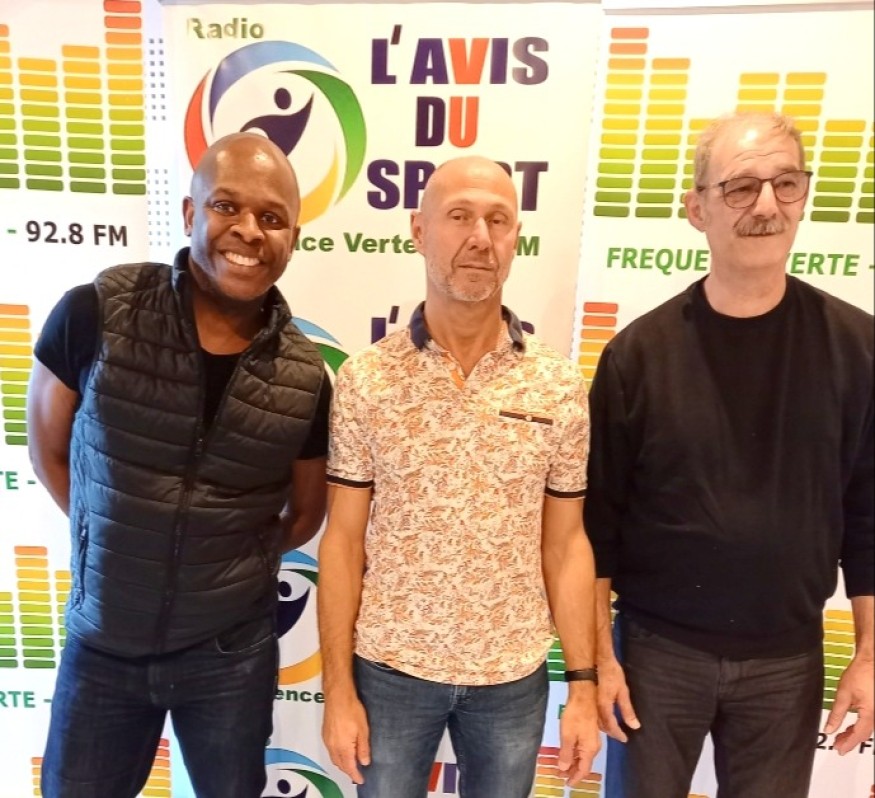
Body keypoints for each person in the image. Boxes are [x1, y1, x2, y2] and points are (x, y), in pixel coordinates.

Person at [27, 132, 331, 798]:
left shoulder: (306, 375)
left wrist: (232, 562)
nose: (248, 231)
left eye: (272, 217)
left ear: (292, 238)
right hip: (104, 642)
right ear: (192, 212)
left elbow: (307, 511)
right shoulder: (98, 310)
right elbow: (46, 447)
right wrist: (108, 536)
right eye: (227, 206)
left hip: (228, 656)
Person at [585, 110, 874, 798]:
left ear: (804, 196)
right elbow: (595, 529)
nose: (767, 206)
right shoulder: (637, 356)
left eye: (785, 183)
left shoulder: (858, 348)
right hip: (655, 656)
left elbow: (868, 517)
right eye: (741, 187)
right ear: (697, 209)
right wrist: (598, 661)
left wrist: (868, 654)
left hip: (787, 660)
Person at [317, 156, 600, 797]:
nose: (480, 237)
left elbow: (566, 543)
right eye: (459, 216)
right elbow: (342, 541)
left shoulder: (557, 385)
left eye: (498, 220)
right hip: (390, 668)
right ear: (420, 230)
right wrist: (337, 690)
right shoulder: (367, 380)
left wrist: (582, 686)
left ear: (516, 238)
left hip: (512, 677)